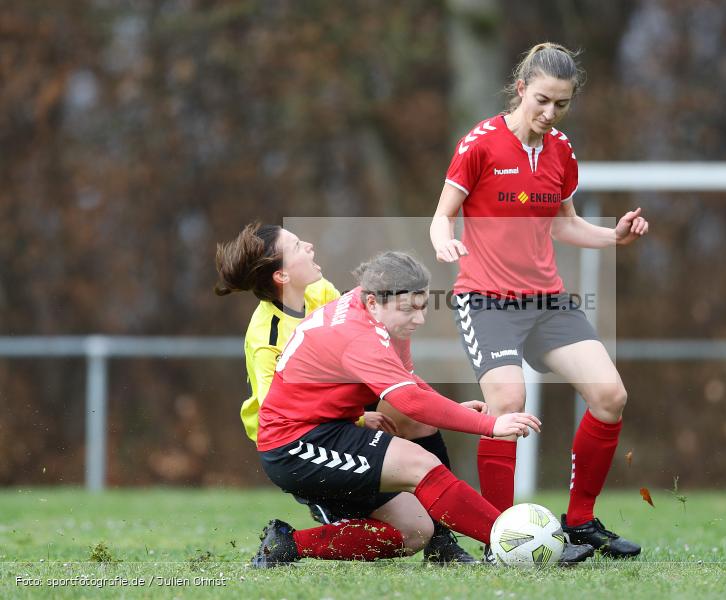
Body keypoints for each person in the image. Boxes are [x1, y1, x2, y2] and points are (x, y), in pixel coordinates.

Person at [429, 42, 649, 559]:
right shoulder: (479, 144)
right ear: (521, 88)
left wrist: (613, 237)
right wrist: (443, 239)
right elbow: (442, 214)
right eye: (543, 101)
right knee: (508, 404)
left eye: (563, 104)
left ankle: (581, 522)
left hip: (547, 301)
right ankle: (498, 537)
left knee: (610, 396)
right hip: (486, 301)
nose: (551, 114)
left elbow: (564, 224)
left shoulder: (561, 151)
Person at [252, 251, 595, 566]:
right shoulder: (359, 336)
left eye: (423, 305)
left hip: (333, 428)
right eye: (409, 309)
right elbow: (412, 400)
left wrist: (450, 408)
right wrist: (490, 426)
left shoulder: (380, 314)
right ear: (372, 301)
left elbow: (410, 389)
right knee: (421, 462)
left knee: (413, 531)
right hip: (294, 445)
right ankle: (513, 541)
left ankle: (292, 544)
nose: (419, 318)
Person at [215, 224, 475, 563]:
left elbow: (364, 342)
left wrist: (432, 402)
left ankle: (442, 542)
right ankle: (296, 537)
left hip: (342, 412)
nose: (308, 244)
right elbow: (274, 410)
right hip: (306, 436)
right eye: (296, 245)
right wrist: (359, 418)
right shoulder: (266, 337)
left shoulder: (320, 291)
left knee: (411, 414)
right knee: (406, 531)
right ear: (281, 276)